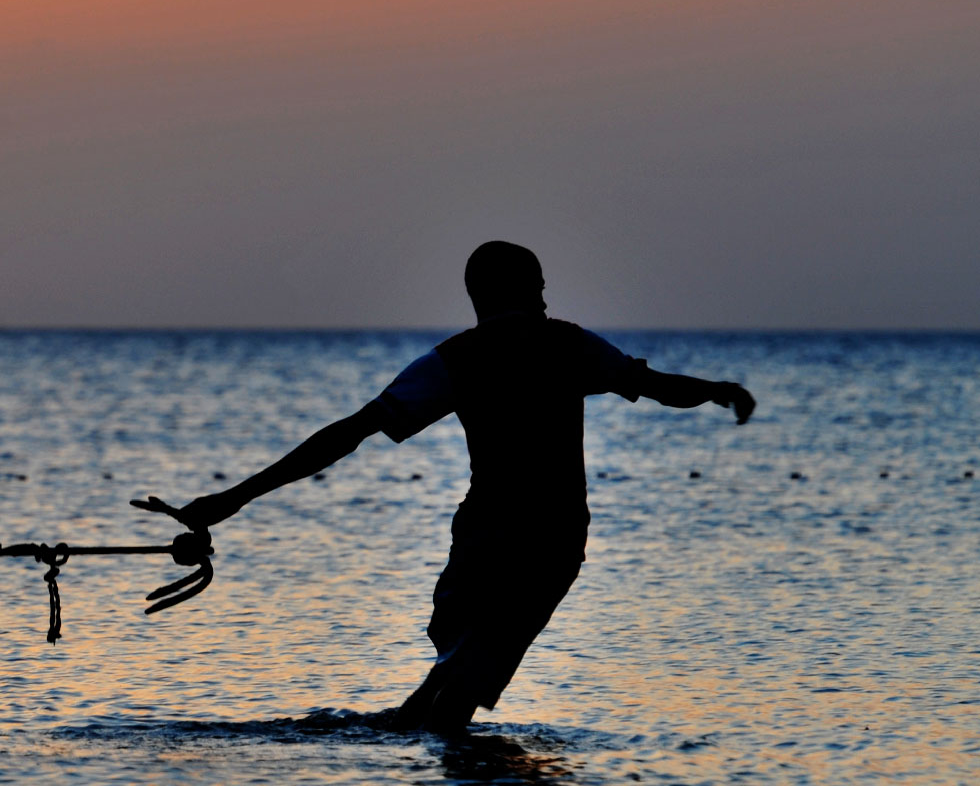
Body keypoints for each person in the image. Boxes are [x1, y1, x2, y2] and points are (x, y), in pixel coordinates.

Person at [134, 241, 754, 734]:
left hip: (483, 542)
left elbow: (349, 433)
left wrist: (234, 498)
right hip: (547, 544)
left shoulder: (456, 360)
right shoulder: (567, 345)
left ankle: (417, 772)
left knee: (447, 680)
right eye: (537, 287)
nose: (542, 299)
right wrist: (717, 390)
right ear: (517, 291)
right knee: (454, 699)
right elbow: (657, 385)